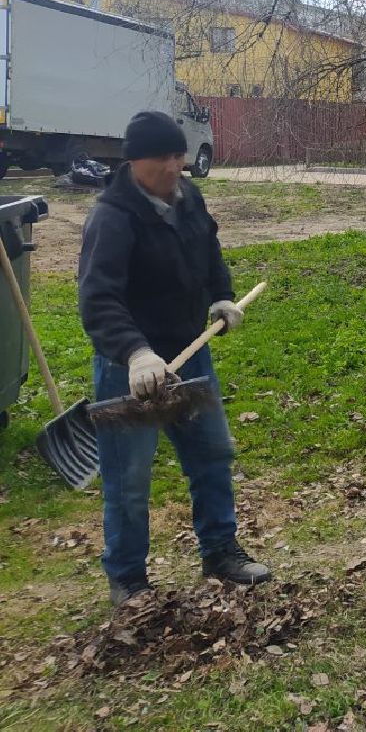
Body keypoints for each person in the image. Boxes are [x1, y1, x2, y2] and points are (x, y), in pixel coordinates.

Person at [77, 111, 272, 605]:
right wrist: (135, 352)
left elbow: (208, 249)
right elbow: (98, 300)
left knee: (211, 456)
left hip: (191, 356)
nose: (173, 167)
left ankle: (220, 551)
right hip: (132, 371)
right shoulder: (113, 217)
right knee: (129, 479)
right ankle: (128, 579)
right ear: (135, 162)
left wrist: (220, 297)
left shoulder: (188, 198)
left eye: (178, 155)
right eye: (162, 158)